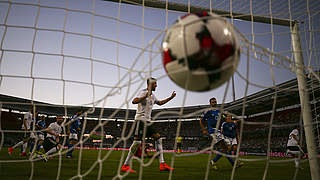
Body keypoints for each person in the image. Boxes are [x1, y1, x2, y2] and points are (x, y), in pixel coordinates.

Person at [121, 77, 176, 173]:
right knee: (137, 143)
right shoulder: (143, 92)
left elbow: (160, 103)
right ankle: (125, 165)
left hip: (148, 122)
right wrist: (145, 96)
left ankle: (162, 164)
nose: (156, 85)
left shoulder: (153, 96)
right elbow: (134, 101)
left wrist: (170, 98)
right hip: (140, 121)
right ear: (150, 84)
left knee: (158, 138)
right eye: (155, 84)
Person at [199, 97, 234, 170]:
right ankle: (233, 163)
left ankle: (214, 161)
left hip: (218, 131)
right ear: (210, 103)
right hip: (213, 131)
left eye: (215, 102)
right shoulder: (208, 111)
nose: (214, 103)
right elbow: (201, 120)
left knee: (225, 148)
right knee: (225, 148)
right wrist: (204, 129)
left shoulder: (218, 111)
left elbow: (223, 118)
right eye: (213, 102)